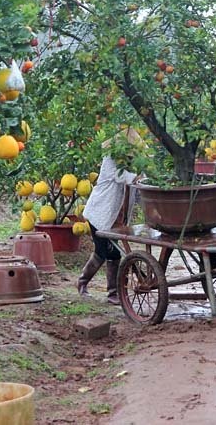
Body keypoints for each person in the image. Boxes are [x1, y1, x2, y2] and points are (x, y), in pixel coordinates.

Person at [77, 128, 143, 305]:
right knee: (109, 253)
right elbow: (123, 177)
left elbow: (136, 187)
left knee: (105, 252)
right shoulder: (110, 161)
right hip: (100, 214)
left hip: (116, 217)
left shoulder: (130, 164)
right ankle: (107, 290)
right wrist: (142, 173)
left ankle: (89, 284)